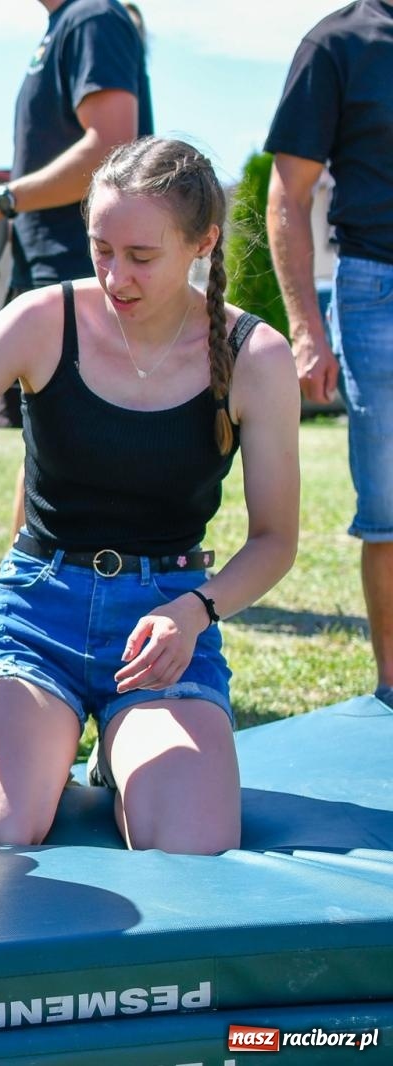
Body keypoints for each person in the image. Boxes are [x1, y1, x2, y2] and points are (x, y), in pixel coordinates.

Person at [0, 138, 299, 856]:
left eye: (141, 256)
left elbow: (275, 541)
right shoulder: (43, 319)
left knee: (189, 847)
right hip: (38, 611)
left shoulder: (254, 356)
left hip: (167, 622)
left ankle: (113, 754)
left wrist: (194, 613)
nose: (114, 275)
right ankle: (66, 740)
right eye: (101, 248)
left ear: (203, 244)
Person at [0, 0, 151, 431]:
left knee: (69, 447)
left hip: (79, 271)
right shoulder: (67, 23)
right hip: (49, 271)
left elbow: (111, 147)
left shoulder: (93, 17)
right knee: (41, 451)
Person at [264, 0, 393, 707]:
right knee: (390, 507)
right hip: (378, 287)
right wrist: (306, 328)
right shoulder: (337, 43)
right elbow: (289, 194)